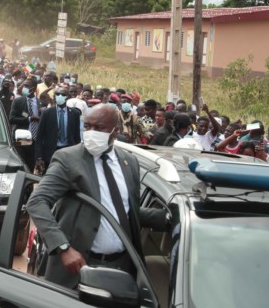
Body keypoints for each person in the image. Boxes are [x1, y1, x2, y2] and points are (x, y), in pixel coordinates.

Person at [26, 104, 168, 289]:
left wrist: (166, 218)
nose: (91, 132)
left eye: (99, 128)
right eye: (87, 126)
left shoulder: (129, 163)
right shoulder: (68, 159)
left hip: (122, 269)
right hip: (78, 269)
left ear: (115, 132)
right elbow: (37, 202)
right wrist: (63, 247)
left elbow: (123, 211)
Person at [36, 87, 81, 171]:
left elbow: (77, 136)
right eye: (57, 94)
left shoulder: (74, 114)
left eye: (63, 94)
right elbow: (40, 136)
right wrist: (39, 157)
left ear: (67, 97)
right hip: (51, 151)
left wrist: (77, 154)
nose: (60, 96)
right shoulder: (47, 113)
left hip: (68, 150)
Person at [9, 77, 40, 170]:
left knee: (30, 166)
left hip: (34, 140)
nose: (24, 88)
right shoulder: (18, 101)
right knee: (21, 164)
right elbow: (12, 119)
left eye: (26, 86)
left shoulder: (39, 103)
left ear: (34, 88)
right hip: (21, 138)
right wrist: (30, 118)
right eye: (23, 85)